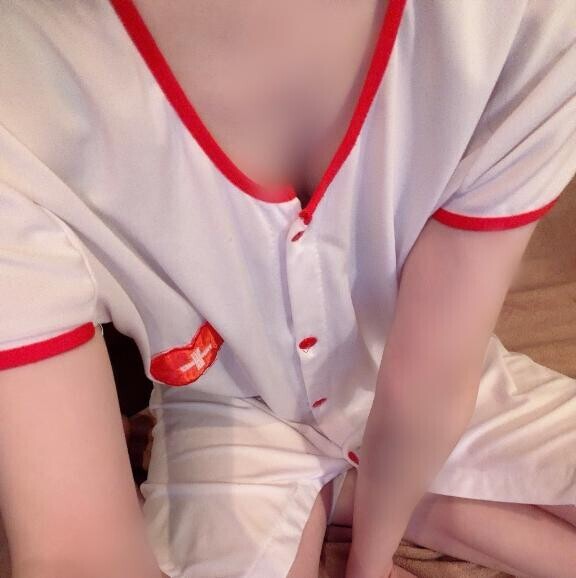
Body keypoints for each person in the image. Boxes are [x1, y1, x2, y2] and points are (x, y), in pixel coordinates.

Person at [0, 1, 575, 577]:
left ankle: (380, 499)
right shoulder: (22, 89)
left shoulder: (522, 23)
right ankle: (383, 498)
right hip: (228, 409)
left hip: (414, 375)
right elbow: (75, 547)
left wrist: (369, 562)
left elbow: (430, 379)